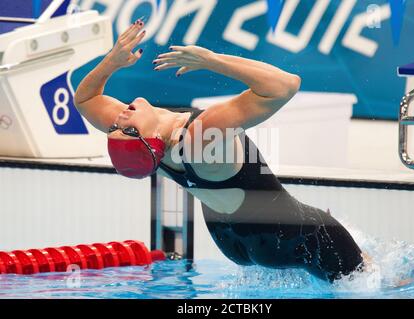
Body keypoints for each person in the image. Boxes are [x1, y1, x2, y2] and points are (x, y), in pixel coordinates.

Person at [74, 19, 364, 282]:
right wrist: (213, 61)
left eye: (114, 128)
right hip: (286, 233)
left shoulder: (150, 147)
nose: (119, 121)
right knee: (369, 280)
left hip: (230, 240)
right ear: (152, 141)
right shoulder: (200, 138)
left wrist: (111, 62)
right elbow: (286, 86)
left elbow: (85, 99)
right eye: (128, 130)